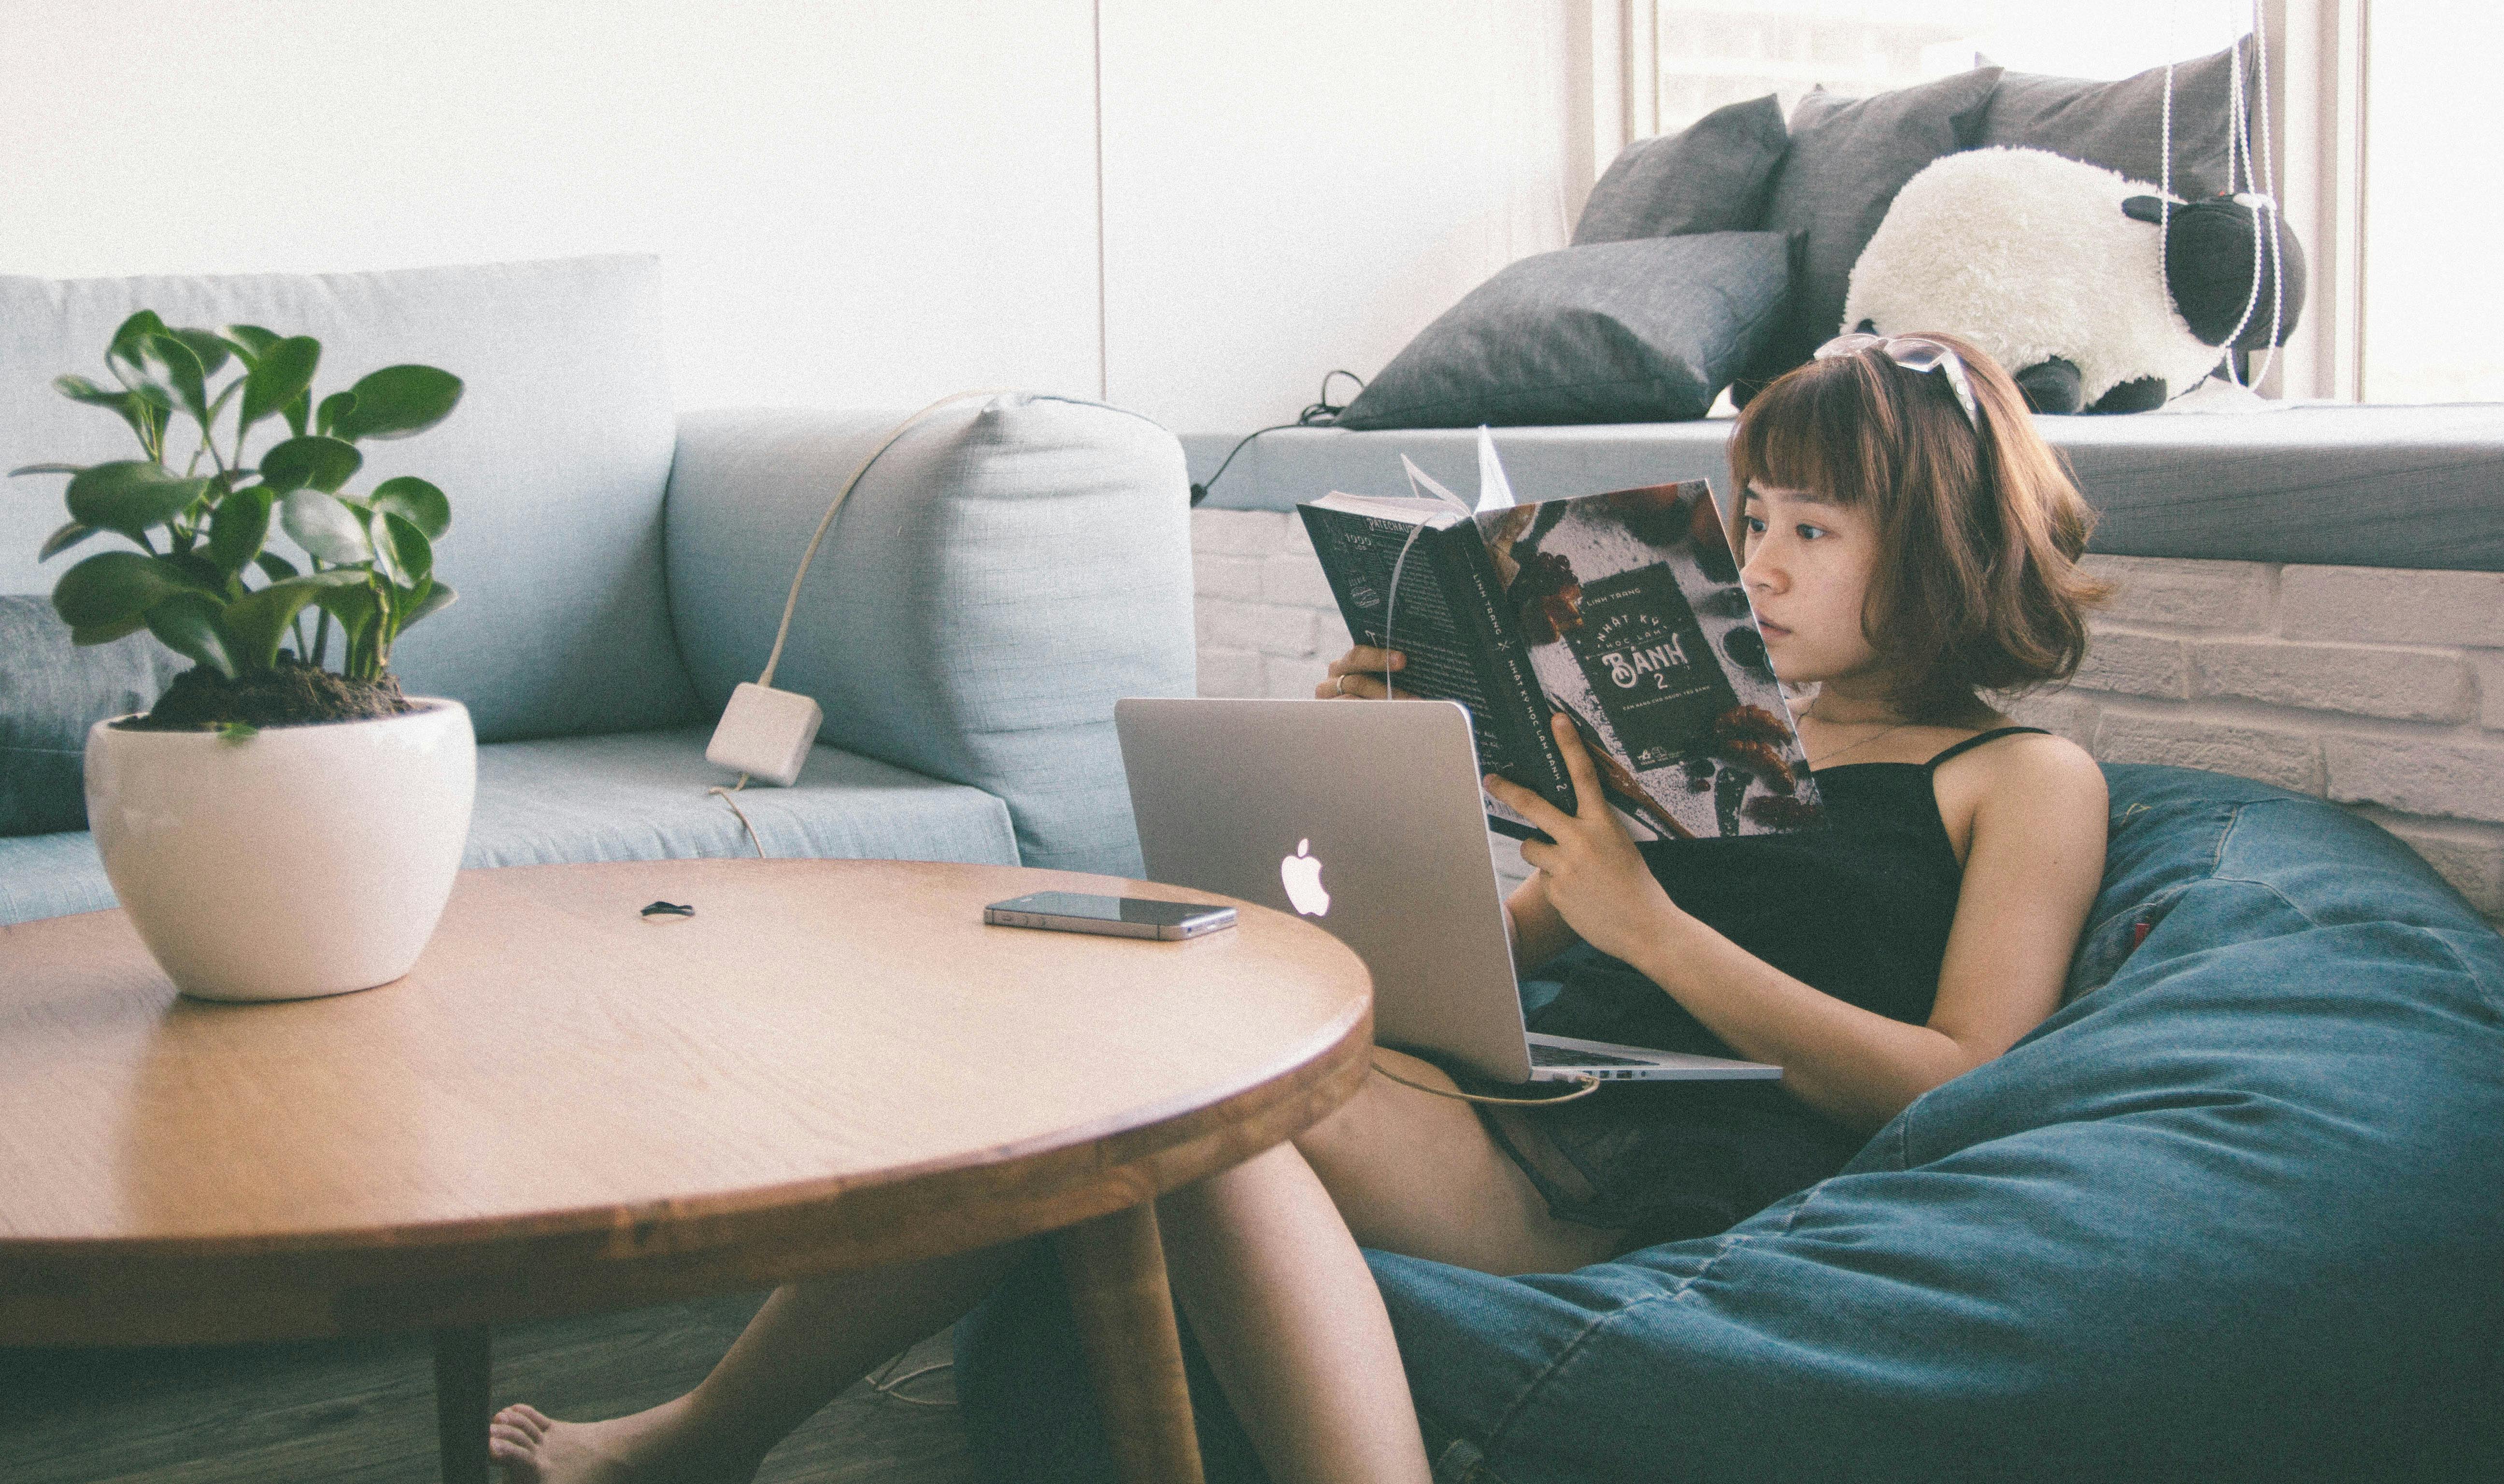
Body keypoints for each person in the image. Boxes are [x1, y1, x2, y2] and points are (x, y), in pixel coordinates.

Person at [486, 331, 2111, 1484]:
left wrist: (1655, 928)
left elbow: (1962, 1075)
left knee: (1209, 1114)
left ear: (1949, 545)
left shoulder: (2018, 779)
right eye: (1752, 519)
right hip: (1526, 1090)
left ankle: (701, 1442)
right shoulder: (1711, 726)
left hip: (1657, 1176)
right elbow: (1483, 965)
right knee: (1100, 1056)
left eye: (1811, 531)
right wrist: (1381, 774)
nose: (1758, 564)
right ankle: (709, 1434)